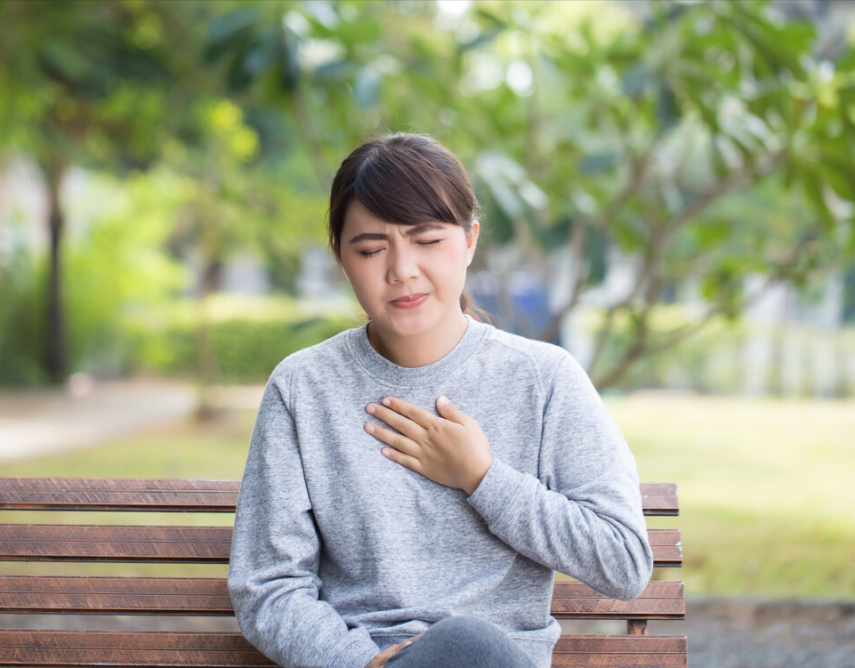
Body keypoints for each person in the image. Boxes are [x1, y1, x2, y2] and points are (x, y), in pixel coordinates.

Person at [228, 133, 652, 668]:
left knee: (467, 645)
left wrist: (483, 479)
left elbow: (624, 563)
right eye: (371, 249)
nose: (402, 269)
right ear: (341, 256)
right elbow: (267, 586)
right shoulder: (303, 388)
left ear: (470, 240)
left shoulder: (544, 380)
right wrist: (365, 663)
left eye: (427, 240)